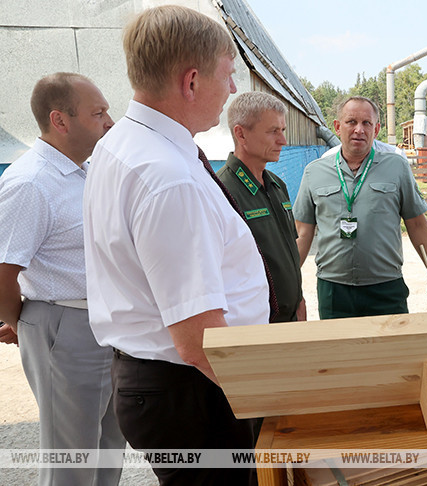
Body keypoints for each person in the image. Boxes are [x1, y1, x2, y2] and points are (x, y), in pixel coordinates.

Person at [82, 6, 266, 484]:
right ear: (190, 82)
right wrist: (266, 395)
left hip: (162, 384)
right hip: (194, 390)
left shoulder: (122, 143)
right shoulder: (167, 177)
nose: (231, 90)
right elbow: (199, 341)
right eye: (227, 75)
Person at [0, 72, 123, 486]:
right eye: (98, 112)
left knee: (109, 447)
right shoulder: (30, 183)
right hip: (63, 324)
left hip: (104, 324)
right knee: (72, 459)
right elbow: (3, 271)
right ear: (60, 120)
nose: (109, 121)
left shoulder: (85, 170)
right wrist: (27, 326)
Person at [294, 96, 427, 319]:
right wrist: (289, 284)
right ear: (337, 127)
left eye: (366, 123)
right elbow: (303, 232)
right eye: (351, 122)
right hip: (333, 290)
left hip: (385, 287)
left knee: (391, 352)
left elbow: (416, 223)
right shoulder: (314, 172)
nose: (359, 130)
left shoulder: (396, 168)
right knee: (341, 352)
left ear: (376, 129)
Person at [217, 91, 305, 322]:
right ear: (241, 134)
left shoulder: (277, 186)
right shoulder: (221, 191)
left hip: (290, 318)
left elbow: (290, 252)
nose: (283, 140)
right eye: (273, 131)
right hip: (254, 325)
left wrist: (299, 302)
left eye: (283, 130)